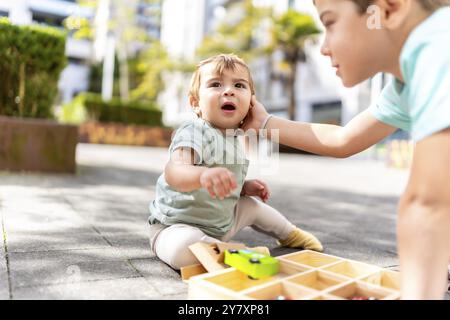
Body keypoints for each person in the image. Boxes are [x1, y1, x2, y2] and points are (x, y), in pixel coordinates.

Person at [243, 0, 450, 299]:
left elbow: (427, 205)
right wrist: (263, 122)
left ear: (388, 9)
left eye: (329, 23)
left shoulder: (436, 44)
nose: (324, 47)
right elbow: (343, 139)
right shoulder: (405, 83)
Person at [147, 54, 323, 270]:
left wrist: (243, 187)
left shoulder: (233, 139)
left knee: (253, 207)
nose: (228, 91)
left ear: (251, 103)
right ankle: (235, 253)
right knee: (181, 249)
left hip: (220, 224)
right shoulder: (194, 131)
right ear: (196, 103)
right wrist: (201, 175)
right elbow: (174, 171)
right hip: (176, 226)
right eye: (215, 84)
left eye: (239, 85)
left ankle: (290, 233)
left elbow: (225, 185)